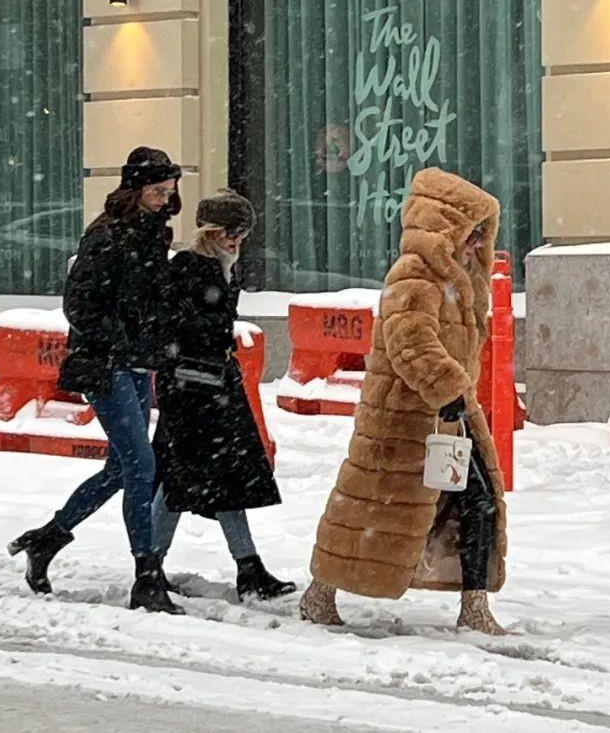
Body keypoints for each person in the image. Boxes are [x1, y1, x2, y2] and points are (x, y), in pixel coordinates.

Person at [298, 167, 509, 635]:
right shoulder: (414, 278)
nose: (476, 246)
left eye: (481, 235)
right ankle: (319, 593)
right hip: (402, 419)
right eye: (470, 235)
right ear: (444, 230)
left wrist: (455, 394)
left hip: (447, 411)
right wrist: (448, 387)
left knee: (476, 504)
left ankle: (473, 606)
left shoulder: (458, 283)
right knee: (367, 507)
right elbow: (411, 342)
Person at [7, 147, 184, 615]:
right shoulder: (106, 236)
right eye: (157, 190)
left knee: (122, 468)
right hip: (103, 365)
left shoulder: (153, 236)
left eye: (169, 192)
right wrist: (122, 338)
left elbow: (151, 300)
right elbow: (78, 305)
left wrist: (159, 338)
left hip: (135, 363)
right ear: (136, 188)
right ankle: (146, 577)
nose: (165, 199)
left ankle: (47, 539)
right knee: (141, 467)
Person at [150, 188, 295, 602]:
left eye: (242, 233)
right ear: (210, 231)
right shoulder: (190, 268)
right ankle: (154, 565)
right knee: (186, 478)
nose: (236, 241)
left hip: (210, 386)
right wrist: (213, 335)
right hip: (193, 388)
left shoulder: (220, 267)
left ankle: (245, 566)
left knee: (216, 477)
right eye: (230, 232)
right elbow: (184, 326)